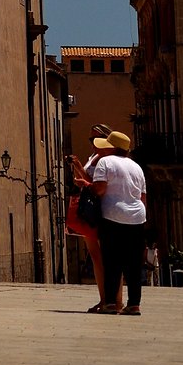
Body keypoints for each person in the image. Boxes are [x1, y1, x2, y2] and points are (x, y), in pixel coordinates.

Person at [87, 129, 149, 315]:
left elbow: (100, 189)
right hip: (137, 217)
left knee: (112, 261)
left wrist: (87, 187)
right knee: (134, 264)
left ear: (112, 148)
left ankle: (111, 304)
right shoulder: (136, 167)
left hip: (113, 216)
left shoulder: (105, 162)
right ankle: (134, 304)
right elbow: (143, 197)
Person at [63, 122, 111, 303]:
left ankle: (110, 298)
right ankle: (104, 298)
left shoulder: (104, 159)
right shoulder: (94, 157)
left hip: (98, 209)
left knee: (102, 257)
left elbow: (95, 184)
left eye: (96, 138)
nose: (93, 142)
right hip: (89, 208)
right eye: (91, 139)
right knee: (95, 256)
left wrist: (79, 167)